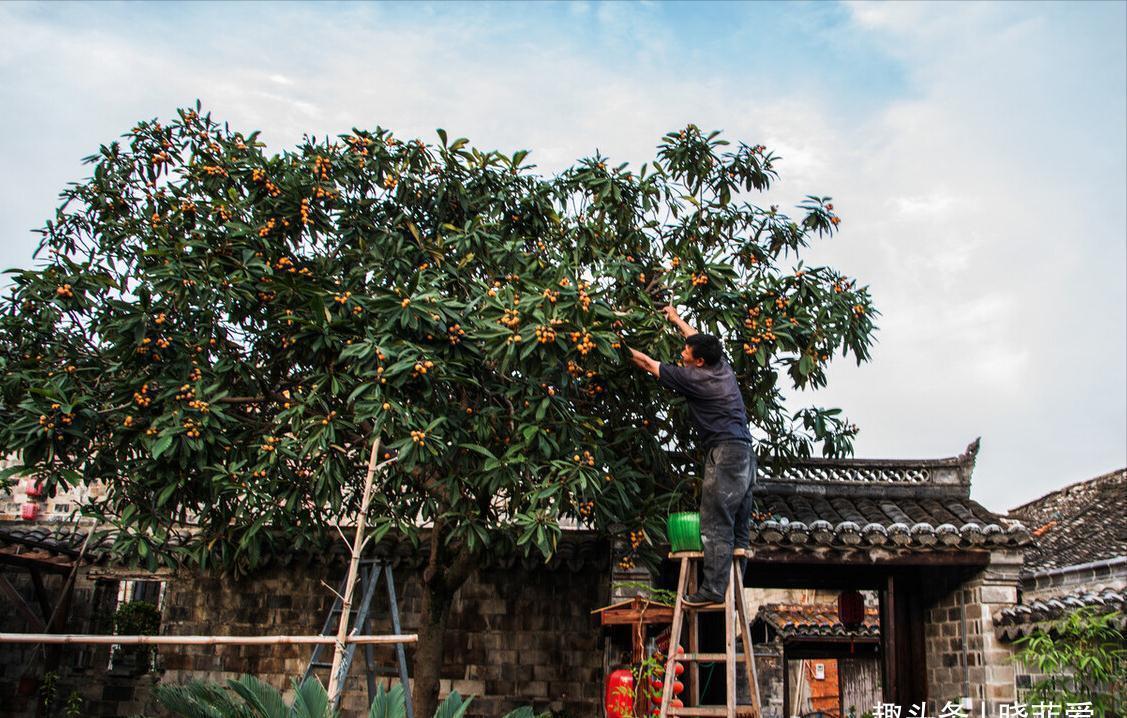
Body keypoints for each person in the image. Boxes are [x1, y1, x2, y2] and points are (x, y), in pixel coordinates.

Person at [628, 306, 756, 607]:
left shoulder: (694, 379)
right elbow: (696, 336)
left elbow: (647, 364)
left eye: (687, 351)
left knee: (714, 521)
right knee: (739, 528)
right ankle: (734, 590)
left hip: (724, 453)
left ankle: (712, 589)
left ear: (698, 361)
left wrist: (613, 342)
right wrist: (675, 318)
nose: (683, 350)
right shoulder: (719, 364)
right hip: (745, 455)